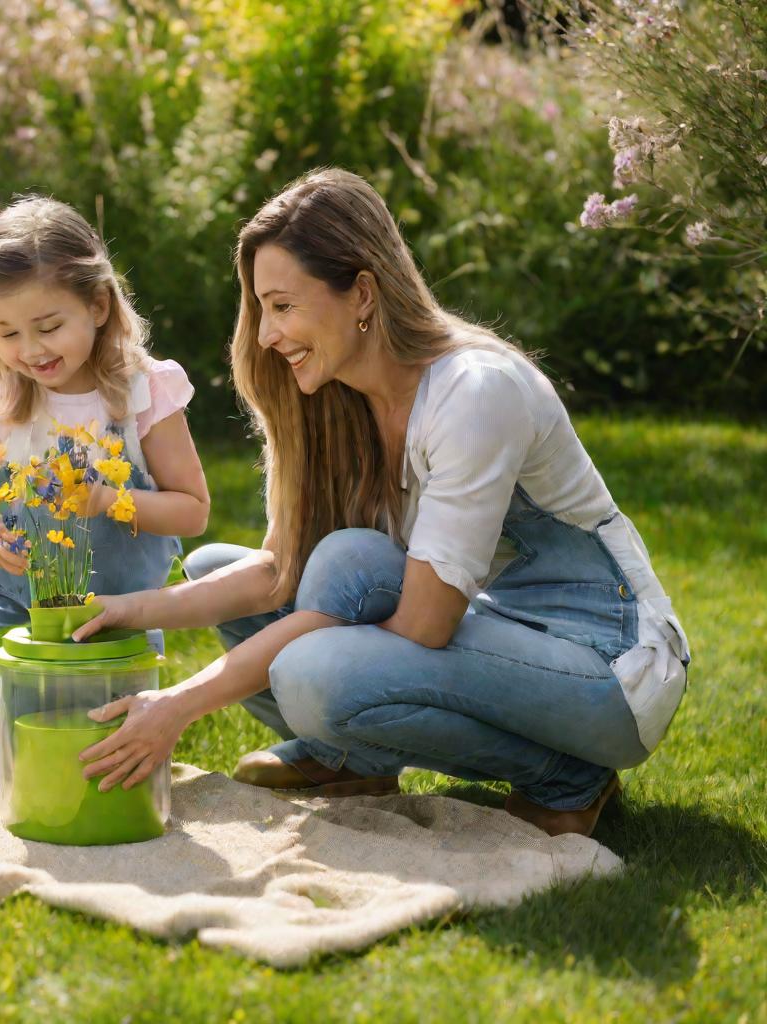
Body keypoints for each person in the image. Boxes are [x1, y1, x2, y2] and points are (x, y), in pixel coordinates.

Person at [75, 167, 690, 837]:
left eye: (283, 307)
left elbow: (423, 626)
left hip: (605, 667)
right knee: (244, 569)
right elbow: (279, 573)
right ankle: (348, 760)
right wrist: (130, 609)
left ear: (362, 293)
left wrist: (180, 703)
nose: (266, 336)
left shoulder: (474, 392)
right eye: (261, 309)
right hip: (493, 632)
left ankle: (567, 775)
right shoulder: (338, 401)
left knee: (317, 670)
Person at [0, 195, 210, 770]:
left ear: (97, 305)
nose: (30, 350)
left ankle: (22, 709)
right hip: (7, 596)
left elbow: (192, 511)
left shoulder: (145, 394)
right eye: (7, 333)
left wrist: (105, 499)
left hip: (109, 616)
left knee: (87, 751)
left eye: (48, 326)